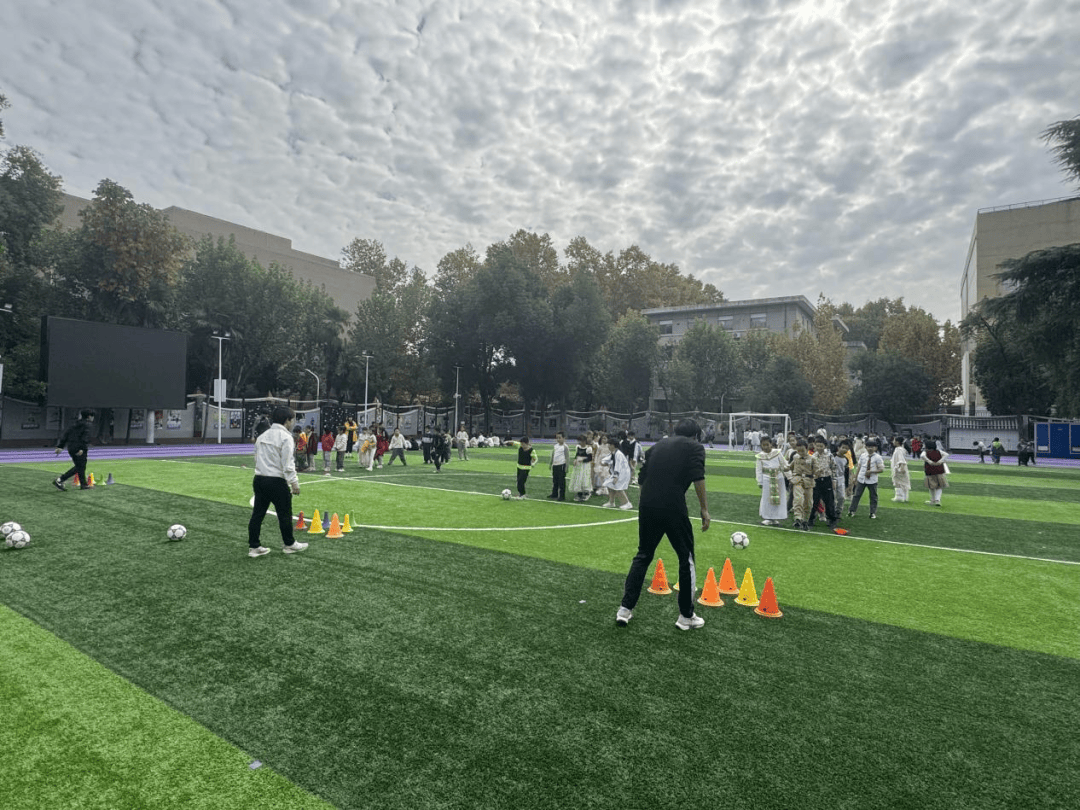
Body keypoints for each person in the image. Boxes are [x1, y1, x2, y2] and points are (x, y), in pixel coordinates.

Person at [616, 419, 710, 631]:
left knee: (643, 555)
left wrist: (646, 503)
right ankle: (686, 616)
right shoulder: (695, 447)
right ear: (695, 435)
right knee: (686, 558)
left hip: (648, 505)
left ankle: (625, 609)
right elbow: (698, 477)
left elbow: (642, 478)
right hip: (673, 505)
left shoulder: (657, 446)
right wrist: (704, 509)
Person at [247, 405, 308, 558]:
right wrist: (294, 482)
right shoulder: (286, 437)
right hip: (276, 481)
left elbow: (256, 458)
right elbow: (288, 464)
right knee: (284, 514)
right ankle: (289, 544)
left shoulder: (262, 436)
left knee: (257, 514)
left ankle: (254, 546)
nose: (293, 423)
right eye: (292, 419)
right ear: (287, 420)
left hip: (260, 478)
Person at [53, 409, 96, 490]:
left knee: (80, 466)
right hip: (79, 447)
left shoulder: (75, 424)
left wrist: (60, 446)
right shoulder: (87, 425)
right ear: (89, 416)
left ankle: (83, 484)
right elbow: (85, 437)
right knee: (80, 466)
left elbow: (66, 434)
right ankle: (60, 480)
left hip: (71, 447)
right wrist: (82, 448)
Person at [754, 435, 788, 526]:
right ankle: (767, 517)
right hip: (767, 479)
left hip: (778, 477)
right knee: (767, 498)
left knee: (779, 498)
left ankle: (776, 518)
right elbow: (758, 469)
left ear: (771, 444)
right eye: (763, 445)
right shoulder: (760, 456)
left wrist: (790, 476)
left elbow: (783, 464)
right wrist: (760, 481)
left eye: (767, 445)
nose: (765, 447)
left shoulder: (777, 453)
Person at [847, 438, 885, 519]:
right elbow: (859, 467)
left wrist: (872, 471)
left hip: (872, 480)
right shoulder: (863, 456)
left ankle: (872, 513)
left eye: (872, 447)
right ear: (866, 447)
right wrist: (855, 477)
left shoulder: (878, 457)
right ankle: (851, 511)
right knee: (856, 495)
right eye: (868, 447)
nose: (870, 448)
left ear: (875, 448)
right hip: (861, 479)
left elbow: (881, 469)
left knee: (873, 497)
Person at [808, 436, 839, 531]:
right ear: (814, 446)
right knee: (814, 500)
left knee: (829, 501)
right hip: (816, 480)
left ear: (825, 446)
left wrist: (834, 480)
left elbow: (834, 468)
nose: (819, 448)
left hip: (827, 480)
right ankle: (811, 519)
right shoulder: (813, 456)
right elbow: (810, 469)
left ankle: (832, 519)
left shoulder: (829, 455)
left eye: (821, 446)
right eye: (817, 446)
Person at [788, 439, 814, 530]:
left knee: (808, 502)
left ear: (807, 449)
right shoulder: (795, 457)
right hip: (797, 480)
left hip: (808, 482)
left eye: (802, 451)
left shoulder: (812, 459)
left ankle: (805, 520)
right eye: (798, 451)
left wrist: (818, 473)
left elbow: (816, 470)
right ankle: (798, 518)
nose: (801, 453)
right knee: (798, 499)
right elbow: (790, 467)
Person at [602, 436, 633, 509]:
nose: (608, 446)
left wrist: (616, 476)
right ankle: (611, 502)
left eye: (610, 444)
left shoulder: (618, 454)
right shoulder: (613, 453)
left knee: (618, 487)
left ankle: (627, 503)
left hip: (623, 473)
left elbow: (618, 465)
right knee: (609, 484)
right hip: (619, 473)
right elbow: (605, 460)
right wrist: (604, 463)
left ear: (614, 445)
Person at [921, 440, 950, 507]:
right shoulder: (939, 451)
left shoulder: (926, 452)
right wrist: (941, 460)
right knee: (939, 486)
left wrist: (929, 461)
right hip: (939, 470)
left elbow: (922, 455)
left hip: (929, 470)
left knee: (931, 486)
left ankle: (932, 499)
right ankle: (937, 500)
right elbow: (946, 454)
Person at [570, 434, 593, 501]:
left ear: (585, 441)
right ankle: (579, 492)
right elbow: (576, 455)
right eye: (580, 441)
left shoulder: (588, 448)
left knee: (584, 478)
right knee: (578, 478)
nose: (581, 443)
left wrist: (582, 460)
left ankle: (586, 493)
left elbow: (590, 458)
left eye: (582, 441)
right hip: (578, 465)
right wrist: (575, 460)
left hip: (585, 466)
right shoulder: (578, 447)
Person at [548, 431, 569, 501]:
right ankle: (554, 494)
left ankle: (562, 496)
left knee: (561, 481)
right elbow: (553, 455)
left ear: (564, 438)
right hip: (555, 465)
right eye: (557, 438)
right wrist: (551, 463)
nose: (558, 439)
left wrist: (566, 467)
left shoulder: (565, 447)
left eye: (560, 438)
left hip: (561, 465)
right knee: (555, 480)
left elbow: (567, 457)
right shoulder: (555, 446)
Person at [890, 436, 911, 502]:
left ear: (897, 442)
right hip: (899, 467)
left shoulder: (899, 450)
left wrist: (901, 467)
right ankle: (904, 497)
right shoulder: (900, 449)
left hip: (899, 468)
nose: (893, 442)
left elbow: (901, 460)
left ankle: (900, 497)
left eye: (894, 440)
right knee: (902, 483)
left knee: (900, 483)